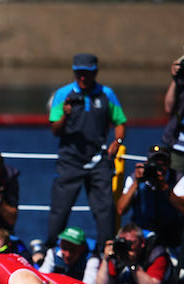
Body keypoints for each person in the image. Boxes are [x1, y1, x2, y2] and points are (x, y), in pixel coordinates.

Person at [47, 53, 127, 251]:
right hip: (69, 160)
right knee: (60, 209)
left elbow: (120, 122)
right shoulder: (63, 94)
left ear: (95, 72)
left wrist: (117, 142)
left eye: (87, 73)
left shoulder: (106, 94)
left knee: (105, 209)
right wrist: (65, 116)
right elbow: (55, 130)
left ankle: (106, 252)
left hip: (98, 160)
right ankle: (51, 251)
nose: (83, 77)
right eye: (79, 73)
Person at [115, 146, 184, 249]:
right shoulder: (136, 178)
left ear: (169, 163)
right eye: (155, 163)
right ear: (147, 163)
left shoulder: (178, 179)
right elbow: (121, 209)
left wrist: (164, 187)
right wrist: (136, 183)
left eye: (163, 164)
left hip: (170, 233)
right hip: (143, 233)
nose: (159, 167)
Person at [96, 223, 175, 284]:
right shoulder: (117, 252)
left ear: (142, 242)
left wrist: (132, 264)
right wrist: (106, 259)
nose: (126, 247)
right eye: (123, 243)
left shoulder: (155, 253)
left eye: (130, 243)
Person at [161, 43, 184, 182]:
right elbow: (168, 108)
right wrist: (175, 80)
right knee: (175, 187)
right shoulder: (181, 83)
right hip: (179, 146)